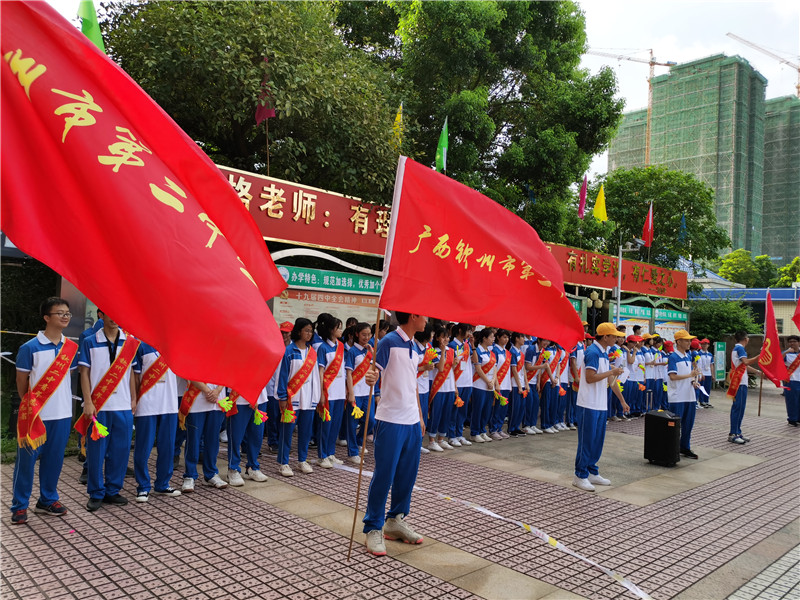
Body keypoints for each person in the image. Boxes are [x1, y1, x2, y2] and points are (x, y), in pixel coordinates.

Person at [363, 311, 427, 556]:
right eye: (423, 316)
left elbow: (411, 384)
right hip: (390, 420)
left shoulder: (415, 345)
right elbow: (374, 371)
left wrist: (419, 416)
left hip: (411, 421)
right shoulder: (389, 341)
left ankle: (395, 520)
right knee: (384, 476)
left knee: (406, 476)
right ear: (413, 316)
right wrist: (371, 377)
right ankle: (373, 527)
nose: (426, 320)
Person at [11, 298, 78, 524]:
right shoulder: (29, 348)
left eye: (67, 313)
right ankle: (20, 506)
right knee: (26, 463)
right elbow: (22, 381)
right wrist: (30, 405)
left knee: (54, 460)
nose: (65, 316)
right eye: (60, 313)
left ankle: (47, 500)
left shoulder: (71, 348)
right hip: (36, 415)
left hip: (62, 414)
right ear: (46, 317)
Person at [79, 313, 141, 511]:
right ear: (100, 315)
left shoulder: (130, 342)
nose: (114, 318)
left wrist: (133, 398)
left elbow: (131, 372)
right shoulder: (90, 341)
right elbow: (84, 373)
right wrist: (88, 402)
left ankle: (112, 490)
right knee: (97, 451)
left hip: (123, 406)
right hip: (99, 406)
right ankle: (96, 492)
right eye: (109, 313)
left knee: (121, 451)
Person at [573, 322, 627, 492]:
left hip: (600, 404)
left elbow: (610, 382)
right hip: (588, 403)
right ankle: (580, 475)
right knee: (587, 441)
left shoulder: (604, 353)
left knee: (597, 441)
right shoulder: (593, 352)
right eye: (614, 336)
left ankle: (591, 471)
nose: (617, 338)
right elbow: (590, 378)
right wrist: (612, 372)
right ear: (605, 337)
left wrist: (622, 401)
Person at [133, 342, 182, 502]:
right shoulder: (140, 345)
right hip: (147, 404)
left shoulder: (174, 346)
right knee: (143, 448)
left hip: (169, 404)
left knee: (167, 446)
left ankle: (162, 483)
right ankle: (143, 486)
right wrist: (134, 400)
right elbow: (135, 376)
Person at [276, 318, 321, 476]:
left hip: (308, 399)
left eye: (311, 331)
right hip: (291, 398)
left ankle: (302, 460)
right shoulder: (289, 351)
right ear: (299, 331)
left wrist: (317, 397)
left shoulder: (312, 353)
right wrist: (282, 397)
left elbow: (316, 376)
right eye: (306, 330)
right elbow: (282, 376)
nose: (309, 334)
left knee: (306, 431)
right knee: (287, 431)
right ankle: (283, 462)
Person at [180, 380, 228, 491]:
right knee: (194, 440)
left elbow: (226, 372)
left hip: (217, 400)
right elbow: (191, 373)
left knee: (213, 440)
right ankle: (190, 475)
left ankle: (211, 474)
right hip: (197, 401)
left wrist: (217, 390)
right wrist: (208, 391)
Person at [316, 314, 347, 468]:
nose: (341, 330)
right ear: (331, 330)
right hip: (328, 391)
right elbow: (321, 371)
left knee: (335, 424)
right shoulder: (323, 348)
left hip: (340, 392)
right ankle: (322, 455)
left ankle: (330, 452)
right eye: (338, 327)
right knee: (325, 424)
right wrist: (321, 392)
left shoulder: (341, 346)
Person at [667, 329, 703, 459]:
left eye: (689, 340)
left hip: (689, 396)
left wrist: (693, 381)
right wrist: (690, 375)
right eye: (686, 340)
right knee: (675, 425)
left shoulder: (688, 356)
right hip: (677, 397)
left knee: (688, 424)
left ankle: (685, 447)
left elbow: (689, 376)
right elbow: (672, 377)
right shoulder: (673, 357)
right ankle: (672, 448)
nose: (689, 342)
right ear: (678, 342)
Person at [345, 322, 375, 464]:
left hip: (369, 392)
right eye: (364, 334)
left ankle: (358, 442)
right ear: (357, 334)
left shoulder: (370, 351)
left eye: (369, 334)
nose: (366, 337)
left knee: (371, 421)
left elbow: (377, 368)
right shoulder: (352, 351)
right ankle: (352, 452)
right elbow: (349, 373)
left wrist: (373, 353)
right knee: (352, 424)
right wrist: (351, 393)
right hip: (356, 392)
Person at [728, 331, 762, 444]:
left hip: (740, 381)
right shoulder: (740, 349)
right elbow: (746, 362)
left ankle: (737, 432)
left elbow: (743, 365)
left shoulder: (737, 348)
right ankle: (733, 433)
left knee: (740, 408)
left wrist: (757, 372)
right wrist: (759, 356)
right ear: (746, 339)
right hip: (739, 383)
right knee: (738, 408)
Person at [469, 328, 497, 443]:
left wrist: (493, 381)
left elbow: (495, 367)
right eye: (491, 337)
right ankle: (474, 432)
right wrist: (487, 381)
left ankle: (482, 430)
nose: (493, 339)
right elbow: (478, 368)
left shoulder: (491, 352)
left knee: (487, 410)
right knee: (478, 409)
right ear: (484, 338)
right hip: (479, 385)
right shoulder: (478, 351)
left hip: (490, 385)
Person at [784, 335, 800, 426]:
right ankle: (792, 419)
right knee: (792, 400)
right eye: (790, 342)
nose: (792, 343)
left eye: (794, 341)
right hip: (791, 380)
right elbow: (777, 361)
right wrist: (786, 352)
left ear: (798, 342)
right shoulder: (787, 353)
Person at [697, 339, 715, 408]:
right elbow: (698, 364)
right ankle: (701, 401)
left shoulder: (710, 354)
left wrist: (712, 374)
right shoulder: (699, 354)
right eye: (703, 344)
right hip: (702, 373)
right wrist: (700, 373)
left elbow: (711, 365)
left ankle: (706, 401)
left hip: (708, 373)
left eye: (706, 344)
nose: (704, 345)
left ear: (708, 345)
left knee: (707, 388)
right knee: (702, 387)